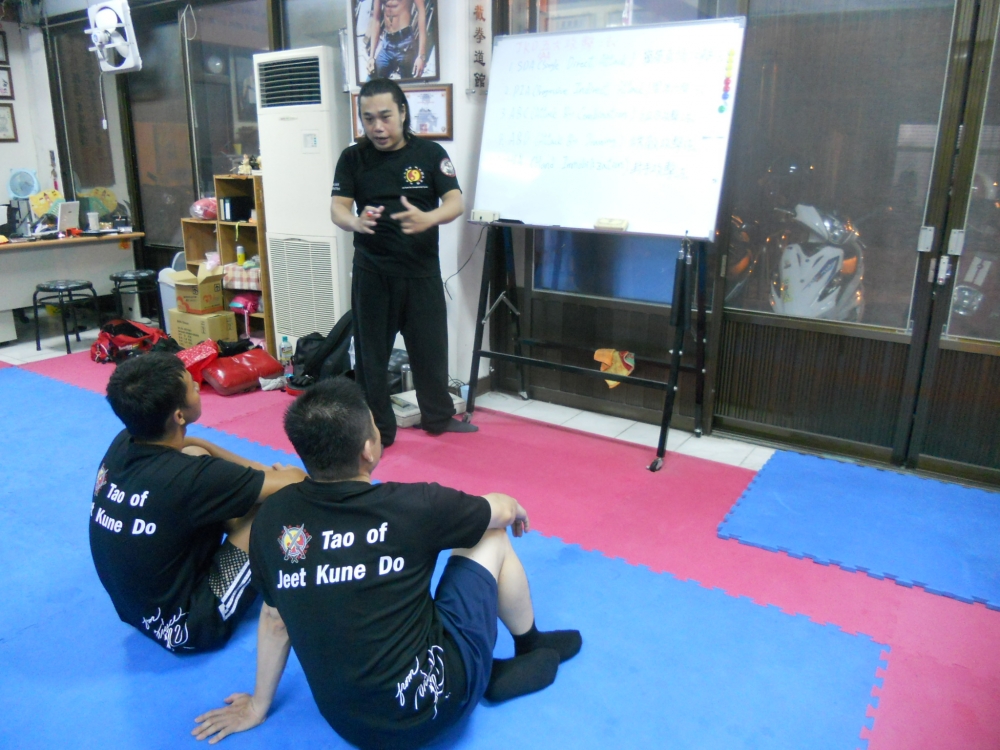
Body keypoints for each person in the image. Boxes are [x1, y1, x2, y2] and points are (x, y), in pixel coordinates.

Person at [193, 377, 581, 748]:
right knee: (489, 534)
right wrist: (514, 507)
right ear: (368, 449)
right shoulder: (414, 505)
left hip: (351, 725)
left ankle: (483, 668)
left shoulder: (273, 518)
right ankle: (527, 646)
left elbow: (276, 620)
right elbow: (500, 511)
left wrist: (258, 705)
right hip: (439, 701)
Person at [91, 352, 307, 653]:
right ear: (179, 416)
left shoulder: (124, 442)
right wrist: (276, 474)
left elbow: (196, 452)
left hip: (134, 611)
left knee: (195, 453)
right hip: (187, 627)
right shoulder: (190, 478)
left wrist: (207, 446)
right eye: (191, 385)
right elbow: (296, 480)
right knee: (274, 506)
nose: (196, 384)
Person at [331, 77, 474, 447]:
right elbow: (338, 208)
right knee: (371, 358)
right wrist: (355, 222)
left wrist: (429, 218)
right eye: (368, 119)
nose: (377, 127)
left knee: (430, 351)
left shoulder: (429, 154)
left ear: (403, 113)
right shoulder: (352, 158)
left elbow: (455, 202)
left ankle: (438, 418)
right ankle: (379, 429)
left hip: (421, 272)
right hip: (372, 273)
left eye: (385, 117)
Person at [365, 0, 428, 81]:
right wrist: (371, 57)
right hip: (387, 44)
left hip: (405, 44)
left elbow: (421, 12)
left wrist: (421, 56)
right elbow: (376, 19)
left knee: (410, 84)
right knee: (371, 81)